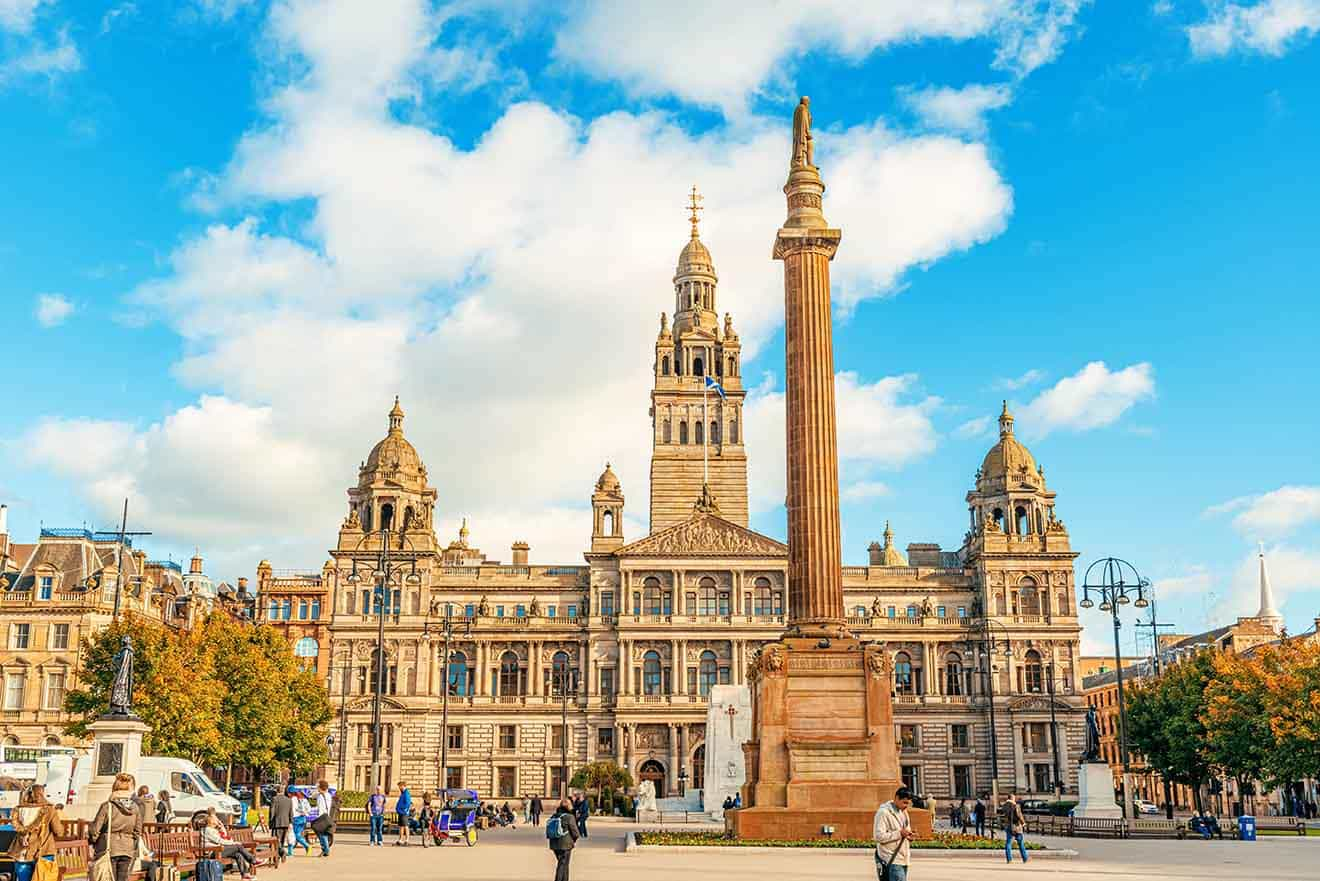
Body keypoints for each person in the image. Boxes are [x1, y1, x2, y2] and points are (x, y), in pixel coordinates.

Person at [89, 773, 143, 881]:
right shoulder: (135, 807)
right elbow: (138, 830)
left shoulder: (108, 806)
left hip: (109, 847)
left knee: (108, 877)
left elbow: (95, 829)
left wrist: (92, 842)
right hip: (127, 848)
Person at [9, 783, 65, 875]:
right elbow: (58, 832)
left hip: (22, 852)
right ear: (42, 794)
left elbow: (16, 825)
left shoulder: (18, 809)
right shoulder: (49, 809)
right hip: (43, 852)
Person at [873, 786, 914, 881]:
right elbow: (878, 837)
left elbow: (906, 830)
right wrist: (899, 834)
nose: (906, 805)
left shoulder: (904, 812)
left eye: (908, 803)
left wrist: (908, 836)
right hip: (891, 858)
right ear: (896, 798)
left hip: (903, 858)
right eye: (904, 802)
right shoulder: (883, 813)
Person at [201, 809, 256, 880]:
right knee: (238, 847)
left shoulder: (214, 830)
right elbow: (220, 841)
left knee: (238, 854)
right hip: (212, 852)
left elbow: (225, 838)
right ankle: (253, 860)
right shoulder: (208, 830)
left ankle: (245, 874)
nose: (218, 820)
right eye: (216, 819)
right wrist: (234, 843)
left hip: (219, 850)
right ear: (212, 821)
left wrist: (222, 828)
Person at [547, 797, 580, 881]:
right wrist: (574, 840)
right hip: (565, 845)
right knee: (562, 865)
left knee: (563, 864)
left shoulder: (554, 815)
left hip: (554, 844)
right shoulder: (569, 817)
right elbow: (575, 832)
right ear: (569, 806)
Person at [268, 785, 292, 865]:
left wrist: (270, 823)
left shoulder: (274, 799)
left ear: (276, 791)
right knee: (281, 841)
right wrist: (290, 822)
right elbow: (291, 813)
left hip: (277, 823)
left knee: (276, 841)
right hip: (286, 823)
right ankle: (277, 856)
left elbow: (272, 812)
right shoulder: (289, 800)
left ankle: (282, 852)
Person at [1002, 794, 1028, 864]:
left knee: (1008, 843)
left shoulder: (1004, 806)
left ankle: (1009, 859)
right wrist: (1023, 823)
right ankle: (1025, 858)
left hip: (1008, 826)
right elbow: (1019, 815)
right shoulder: (1016, 806)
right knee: (1020, 843)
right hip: (1016, 826)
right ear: (1012, 798)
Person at [288, 788, 312, 856]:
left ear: (290, 793)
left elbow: (292, 811)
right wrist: (304, 813)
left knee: (294, 835)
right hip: (303, 819)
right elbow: (309, 809)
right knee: (296, 834)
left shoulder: (291, 800)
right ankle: (290, 851)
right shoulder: (304, 799)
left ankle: (307, 846)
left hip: (296, 819)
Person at [313, 781, 333, 856]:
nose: (317, 787)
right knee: (323, 834)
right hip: (327, 816)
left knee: (321, 834)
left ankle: (326, 849)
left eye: (318, 786)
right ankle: (325, 849)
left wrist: (318, 818)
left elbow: (320, 808)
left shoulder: (320, 796)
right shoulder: (328, 795)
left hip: (322, 816)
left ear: (320, 787)